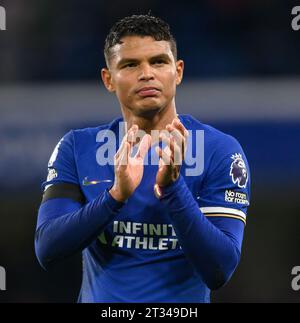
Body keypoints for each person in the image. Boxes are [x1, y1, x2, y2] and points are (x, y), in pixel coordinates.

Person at [35, 14, 251, 303]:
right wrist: (115, 197)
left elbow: (219, 270)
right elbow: (47, 248)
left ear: (178, 71)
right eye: (130, 64)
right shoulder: (77, 147)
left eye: (158, 61)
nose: (146, 73)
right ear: (108, 79)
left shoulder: (219, 150)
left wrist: (174, 191)